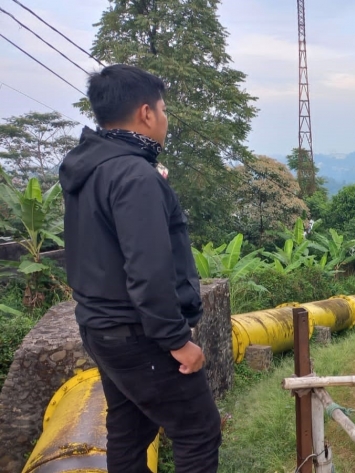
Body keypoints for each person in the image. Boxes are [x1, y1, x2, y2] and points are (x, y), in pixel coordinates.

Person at [59, 64, 221, 473]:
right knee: (198, 431)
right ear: (146, 113)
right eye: (164, 110)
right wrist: (176, 340)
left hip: (101, 328)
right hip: (139, 335)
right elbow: (148, 271)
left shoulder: (91, 169)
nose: (165, 120)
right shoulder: (133, 175)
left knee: (130, 432)